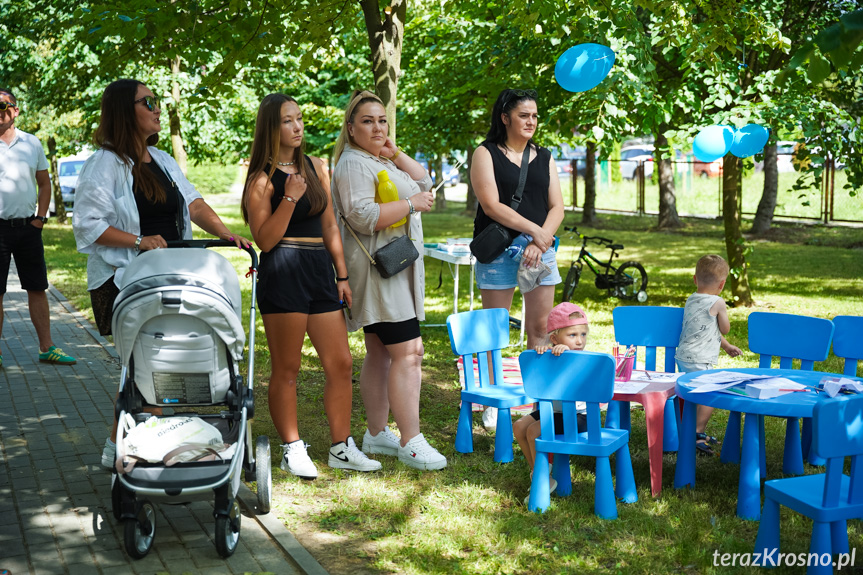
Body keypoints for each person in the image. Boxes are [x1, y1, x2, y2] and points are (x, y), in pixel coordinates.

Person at [72, 79, 251, 468]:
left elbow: (194, 202)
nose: (157, 108)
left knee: (167, 356)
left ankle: (166, 438)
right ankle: (119, 440)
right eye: (147, 101)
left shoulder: (164, 161)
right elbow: (87, 225)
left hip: (170, 272)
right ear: (125, 111)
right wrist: (139, 241)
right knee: (141, 362)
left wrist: (224, 233)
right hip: (125, 277)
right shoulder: (103, 165)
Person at [242, 93, 380, 478]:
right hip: (284, 268)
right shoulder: (261, 179)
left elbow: (331, 225)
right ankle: (292, 447)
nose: (298, 126)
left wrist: (342, 274)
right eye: (288, 121)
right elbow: (265, 240)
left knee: (340, 362)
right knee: (287, 367)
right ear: (272, 128)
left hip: (320, 269)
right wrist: (289, 197)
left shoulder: (319, 166)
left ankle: (341, 446)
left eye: (299, 118)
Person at [331, 90, 446, 471]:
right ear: (350, 128)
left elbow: (424, 180)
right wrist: (411, 204)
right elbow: (362, 215)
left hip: (394, 270)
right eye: (367, 121)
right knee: (409, 352)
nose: (377, 127)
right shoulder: (352, 164)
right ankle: (411, 441)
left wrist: (393, 152)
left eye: (382, 120)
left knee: (381, 353)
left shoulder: (376, 158)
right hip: (379, 274)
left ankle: (377, 433)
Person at [470, 88, 564, 348]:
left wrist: (539, 242)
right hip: (498, 251)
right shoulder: (485, 153)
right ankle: (492, 386)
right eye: (523, 115)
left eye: (534, 115)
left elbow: (557, 207)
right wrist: (537, 231)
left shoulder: (545, 156)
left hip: (539, 251)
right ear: (505, 118)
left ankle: (537, 387)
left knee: (541, 329)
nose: (531, 121)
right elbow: (491, 206)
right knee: (494, 331)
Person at [0, 88, 76, 367]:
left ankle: (47, 347)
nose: (0, 111)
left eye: (4, 105)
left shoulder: (32, 143)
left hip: (28, 227)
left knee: (37, 287)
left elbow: (45, 184)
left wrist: (40, 219)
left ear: (16, 110)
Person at [513, 302, 590, 504]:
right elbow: (539, 381)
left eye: (583, 334)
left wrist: (564, 356)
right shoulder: (554, 354)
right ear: (555, 339)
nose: (579, 341)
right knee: (520, 426)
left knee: (533, 431)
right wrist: (544, 357)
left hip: (578, 416)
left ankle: (541, 477)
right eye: (572, 335)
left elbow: (572, 380)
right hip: (554, 411)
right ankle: (540, 474)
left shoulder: (581, 358)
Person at [675, 254, 743, 456]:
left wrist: (727, 346)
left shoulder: (691, 299)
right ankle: (696, 433)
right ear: (722, 284)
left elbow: (705, 330)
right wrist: (724, 318)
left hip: (684, 356)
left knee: (694, 395)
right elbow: (725, 328)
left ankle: (688, 430)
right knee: (709, 396)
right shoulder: (718, 302)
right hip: (700, 360)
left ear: (695, 279)